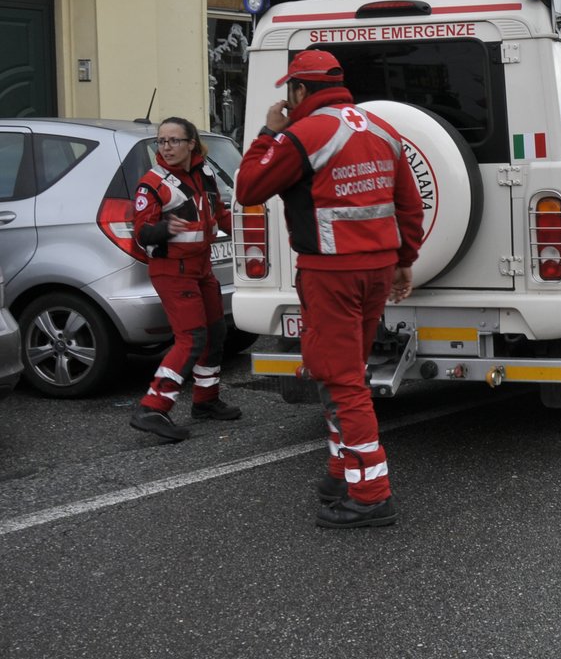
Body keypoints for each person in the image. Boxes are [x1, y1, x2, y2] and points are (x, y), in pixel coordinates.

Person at [234, 49, 423, 529]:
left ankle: (371, 494)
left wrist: (268, 133)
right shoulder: (382, 128)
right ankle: (343, 473)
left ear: (300, 90)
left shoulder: (305, 133)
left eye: (289, 92)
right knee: (346, 370)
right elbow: (408, 202)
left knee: (341, 379)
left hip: (331, 272)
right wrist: (404, 260)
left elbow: (250, 188)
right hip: (377, 270)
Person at [128, 116, 241, 441]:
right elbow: (141, 232)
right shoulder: (152, 184)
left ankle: (205, 401)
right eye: (162, 141)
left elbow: (218, 214)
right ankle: (152, 408)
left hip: (201, 268)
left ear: (191, 143)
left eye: (174, 140)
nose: (166, 146)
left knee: (216, 333)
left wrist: (252, 234)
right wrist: (165, 228)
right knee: (191, 338)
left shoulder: (204, 171)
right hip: (172, 271)